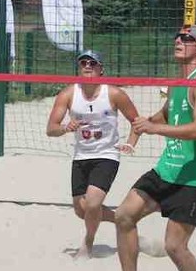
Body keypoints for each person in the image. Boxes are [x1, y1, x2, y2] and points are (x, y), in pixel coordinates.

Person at [105, 25, 196, 271]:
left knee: (175, 247)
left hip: (193, 178)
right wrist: (137, 130)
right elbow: (160, 118)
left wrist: (155, 128)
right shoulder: (178, 83)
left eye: (187, 39)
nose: (179, 41)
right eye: (178, 37)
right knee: (123, 215)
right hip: (166, 170)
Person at [46, 50, 140, 259]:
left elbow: (137, 122)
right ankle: (122, 220)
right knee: (82, 211)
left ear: (101, 69)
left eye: (92, 63)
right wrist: (65, 127)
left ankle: (87, 243)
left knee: (93, 204)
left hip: (107, 155)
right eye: (83, 63)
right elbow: (50, 129)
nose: (87, 66)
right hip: (81, 156)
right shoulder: (68, 94)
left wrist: (130, 143)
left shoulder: (114, 94)